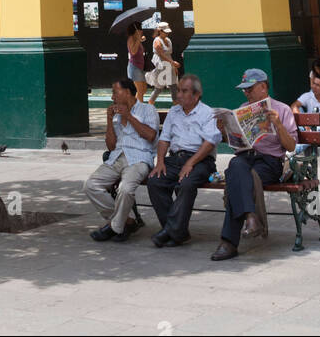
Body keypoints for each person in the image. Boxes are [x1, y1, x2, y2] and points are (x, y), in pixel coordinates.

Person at [210, 67, 297, 262]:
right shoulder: (243, 108)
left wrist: (279, 125)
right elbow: (237, 147)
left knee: (236, 176)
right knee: (236, 165)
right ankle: (250, 216)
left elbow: (291, 146)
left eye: (250, 89)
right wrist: (225, 133)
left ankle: (229, 242)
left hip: (269, 162)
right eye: (245, 90)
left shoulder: (281, 109)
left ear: (264, 87)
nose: (246, 93)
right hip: (246, 158)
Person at [147, 74, 221, 247]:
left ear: (196, 95)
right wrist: (160, 162)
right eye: (178, 90)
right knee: (155, 181)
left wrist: (190, 163)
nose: (178, 94)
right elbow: (164, 139)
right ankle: (176, 232)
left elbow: (210, 143)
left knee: (186, 184)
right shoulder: (174, 112)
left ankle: (170, 231)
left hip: (201, 161)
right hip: (175, 159)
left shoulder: (206, 113)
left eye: (184, 91)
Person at [83, 77, 160, 242]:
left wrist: (130, 116)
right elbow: (111, 146)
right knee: (90, 186)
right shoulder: (116, 115)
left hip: (139, 159)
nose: (112, 97)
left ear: (127, 92)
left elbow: (151, 136)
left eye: (114, 92)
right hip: (117, 157)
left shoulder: (147, 110)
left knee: (125, 189)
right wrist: (109, 121)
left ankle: (114, 227)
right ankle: (127, 221)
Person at [292, 69, 320, 147]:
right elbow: (293, 106)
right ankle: (304, 133)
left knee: (314, 134)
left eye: (318, 85)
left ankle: (295, 149)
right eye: (314, 84)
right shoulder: (308, 95)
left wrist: (310, 125)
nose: (314, 87)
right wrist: (305, 125)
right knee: (298, 109)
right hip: (309, 128)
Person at [144, 22, 179, 107]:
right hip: (161, 65)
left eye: (168, 32)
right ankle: (150, 105)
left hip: (169, 64)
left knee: (173, 86)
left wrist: (173, 65)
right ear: (160, 31)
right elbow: (161, 55)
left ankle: (177, 107)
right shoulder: (157, 41)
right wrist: (172, 63)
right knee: (159, 88)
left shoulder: (168, 40)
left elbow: (168, 55)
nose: (167, 33)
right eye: (165, 32)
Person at [125, 22, 148, 102]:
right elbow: (133, 52)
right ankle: (140, 111)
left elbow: (141, 39)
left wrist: (140, 39)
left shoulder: (137, 38)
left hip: (140, 67)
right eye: (140, 29)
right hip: (134, 67)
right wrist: (139, 39)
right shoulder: (131, 39)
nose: (142, 31)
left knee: (144, 89)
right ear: (136, 30)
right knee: (140, 91)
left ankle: (133, 106)